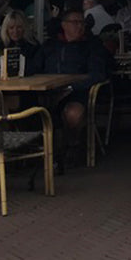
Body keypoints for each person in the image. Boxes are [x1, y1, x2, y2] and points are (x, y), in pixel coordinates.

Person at [32, 10, 113, 162]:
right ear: (64, 25)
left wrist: (71, 88)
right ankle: (34, 152)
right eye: (75, 22)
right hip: (47, 92)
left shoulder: (92, 46)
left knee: (73, 113)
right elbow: (34, 69)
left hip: (78, 92)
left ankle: (71, 146)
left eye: (82, 23)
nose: (80, 26)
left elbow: (97, 74)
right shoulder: (50, 45)